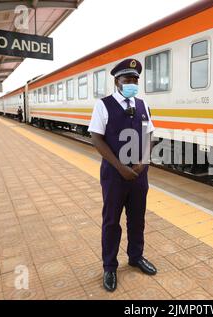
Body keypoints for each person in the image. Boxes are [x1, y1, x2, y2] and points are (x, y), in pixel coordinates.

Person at [88, 58, 157, 292]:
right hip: (114, 175)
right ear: (117, 81)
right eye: (128, 79)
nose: (133, 83)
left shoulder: (142, 104)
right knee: (111, 221)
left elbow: (149, 136)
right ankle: (109, 266)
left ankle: (136, 257)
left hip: (139, 174)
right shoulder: (103, 105)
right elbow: (96, 138)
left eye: (136, 79)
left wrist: (142, 163)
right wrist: (120, 167)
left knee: (137, 219)